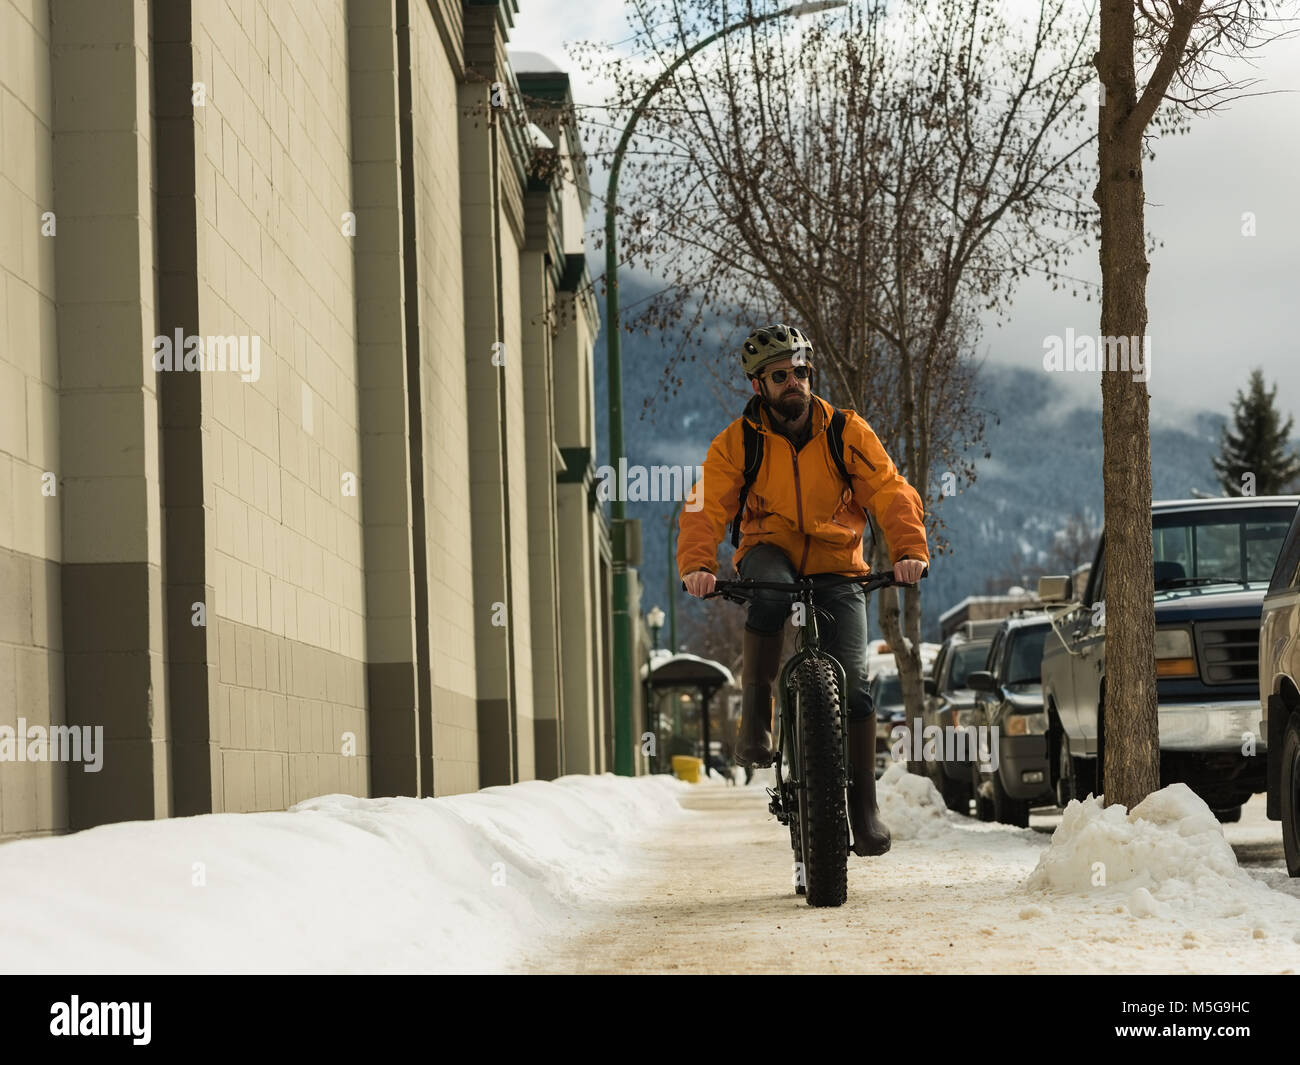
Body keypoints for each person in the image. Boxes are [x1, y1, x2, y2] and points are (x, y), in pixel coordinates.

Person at [678, 324, 929, 856]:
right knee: (770, 589)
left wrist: (908, 551)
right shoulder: (738, 443)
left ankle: (863, 806)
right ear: (758, 386)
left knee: (856, 687)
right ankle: (757, 717)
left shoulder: (845, 431)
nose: (793, 382)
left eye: (800, 372)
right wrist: (698, 564)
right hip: (769, 551)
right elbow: (705, 505)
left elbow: (889, 489)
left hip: (840, 564)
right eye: (779, 375)